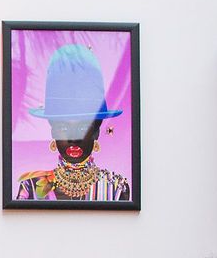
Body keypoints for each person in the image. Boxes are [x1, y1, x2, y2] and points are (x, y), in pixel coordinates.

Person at [14, 42, 133, 203]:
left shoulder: (116, 188)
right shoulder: (30, 187)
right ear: (53, 131)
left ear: (96, 131)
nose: (73, 138)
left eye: (83, 127)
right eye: (63, 127)